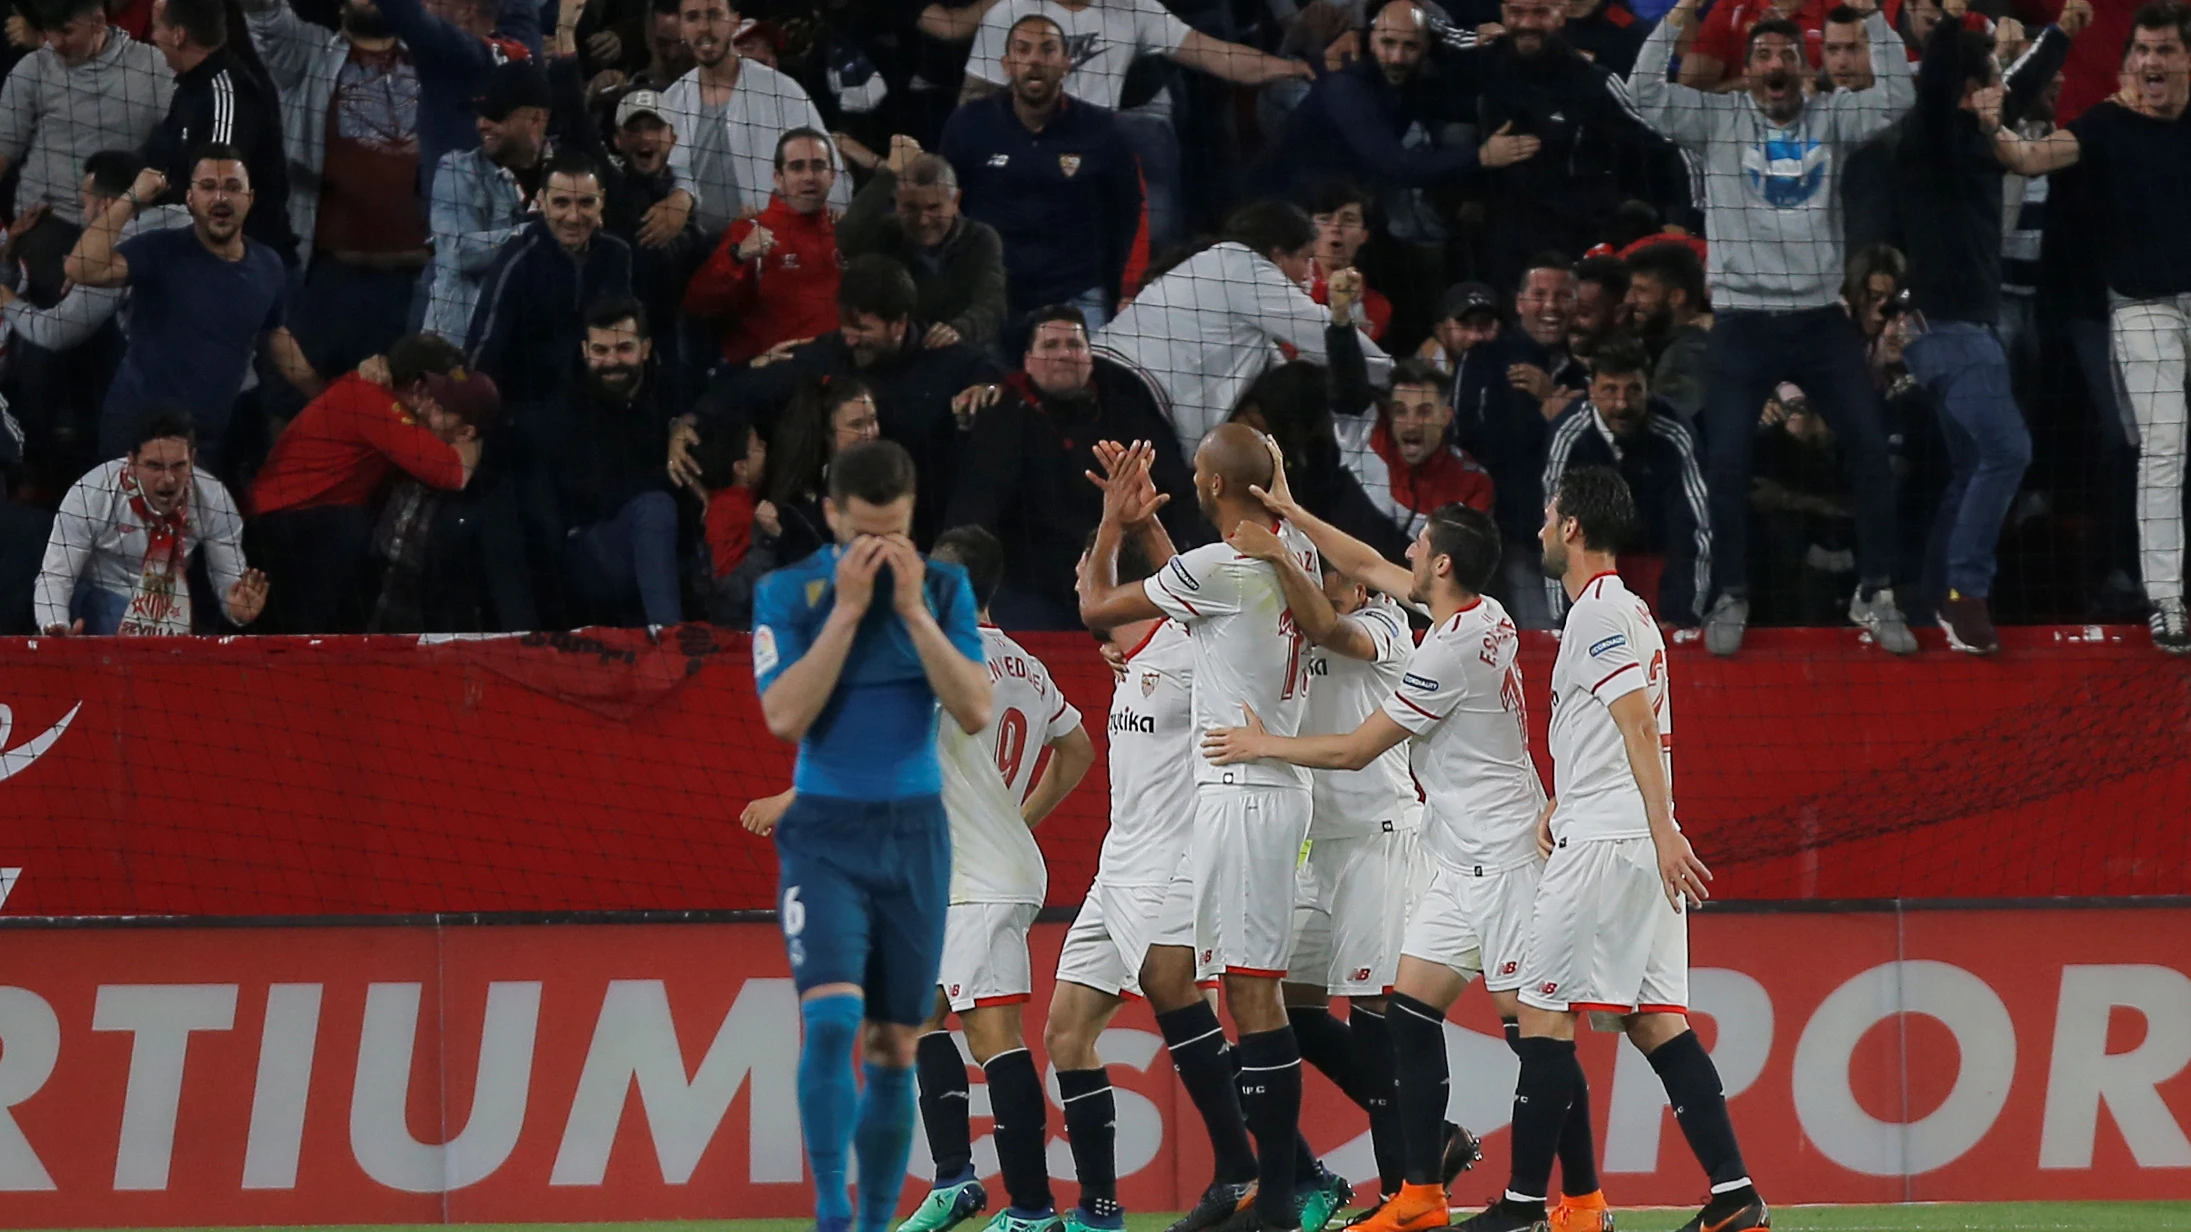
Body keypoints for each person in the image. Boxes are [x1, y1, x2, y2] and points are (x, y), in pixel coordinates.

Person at [1204, 480, 1597, 1232]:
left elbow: (1354, 750)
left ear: (1441, 566)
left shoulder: (1440, 656)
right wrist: (1294, 511)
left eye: (1417, 546)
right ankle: (1420, 1194)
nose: (1403, 553)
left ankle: (1580, 1203)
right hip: (1455, 860)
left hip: (1504, 859)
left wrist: (1259, 745)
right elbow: (1369, 565)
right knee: (1409, 1014)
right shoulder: (1486, 615)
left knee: (1535, 1037)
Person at [1469, 464, 1768, 1232]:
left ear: (1570, 527)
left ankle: (1523, 1207)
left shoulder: (1596, 614)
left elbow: (1637, 722)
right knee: (1653, 1021)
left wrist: (1661, 826)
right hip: (1623, 831)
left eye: (1546, 516)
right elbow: (1618, 728)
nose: (1538, 528)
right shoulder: (1624, 610)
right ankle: (1734, 1196)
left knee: (1540, 1013)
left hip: (1611, 842)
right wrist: (1574, 797)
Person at [1077, 425, 1320, 1232]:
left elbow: (1096, 606)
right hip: (1262, 789)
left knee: (1254, 998)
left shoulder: (1221, 569)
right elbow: (1195, 589)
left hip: (1244, 791)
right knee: (1211, 984)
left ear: (1215, 486)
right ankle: (1260, 1182)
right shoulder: (1290, 557)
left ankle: (1280, 1196)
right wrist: (1146, 524)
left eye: (1195, 474)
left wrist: (1118, 517)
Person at [749, 437, 991, 1232]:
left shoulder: (945, 590)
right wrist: (850, 612)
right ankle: (830, 1212)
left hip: (916, 837)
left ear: (911, 516)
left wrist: (914, 610)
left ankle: (876, 1222)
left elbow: (974, 708)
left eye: (893, 531)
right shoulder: (789, 592)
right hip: (825, 835)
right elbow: (785, 716)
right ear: (829, 516)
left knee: (895, 1046)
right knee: (828, 1022)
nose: (880, 549)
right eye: (863, 535)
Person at [1632, 0, 1921, 656]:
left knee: (1872, 454)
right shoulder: (1716, 121)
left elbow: (1899, 91)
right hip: (1740, 322)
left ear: (1804, 68)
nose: (1774, 65)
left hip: (1820, 321)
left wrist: (1875, 16)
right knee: (1726, 461)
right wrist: (1680, 15)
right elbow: (1645, 91)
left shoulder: (1833, 119)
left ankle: (1875, 593)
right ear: (1747, 67)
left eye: (1787, 56)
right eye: (1762, 55)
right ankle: (1730, 593)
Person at [884, 525, 1096, 1232]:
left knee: (995, 1034)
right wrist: (1018, 816)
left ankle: (1034, 1209)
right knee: (917, 1017)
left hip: (978, 878)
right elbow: (1076, 747)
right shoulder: (1027, 665)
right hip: (968, 869)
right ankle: (954, 1180)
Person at [1221, 509, 1423, 1228]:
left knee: (1373, 1018)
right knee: (1287, 1010)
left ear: (1358, 585)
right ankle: (1431, 1142)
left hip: (1380, 835)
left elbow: (1336, 635)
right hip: (1317, 846)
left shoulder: (1388, 626)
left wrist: (1277, 553)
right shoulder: (1295, 622)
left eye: (1319, 570)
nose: (1308, 577)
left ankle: (1405, 1194)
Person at [1989, 0, 2191, 652]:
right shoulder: (2104, 122)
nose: (2151, 62)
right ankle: (2164, 599)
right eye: (2142, 51)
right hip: (2141, 309)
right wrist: (1978, 121)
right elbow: (2025, 160)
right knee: (2161, 450)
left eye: (2164, 50)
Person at [1888, 20, 2055, 653]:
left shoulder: (1977, 134)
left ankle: (1935, 600)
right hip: (1947, 331)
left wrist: (2063, 28)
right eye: (1989, 80)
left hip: (1966, 329)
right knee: (2008, 451)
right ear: (1966, 88)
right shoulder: (1927, 139)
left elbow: (2025, 81)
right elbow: (1945, 99)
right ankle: (1965, 594)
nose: (2002, 90)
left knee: (1970, 469)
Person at [957, 0, 1312, 252]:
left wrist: (1289, 68)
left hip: (1093, 162)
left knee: (1155, 222)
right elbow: (973, 99)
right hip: (1023, 156)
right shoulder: (1010, 11)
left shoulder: (1134, 7)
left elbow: (1220, 56)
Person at [695, 255, 999, 543]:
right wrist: (693, 418)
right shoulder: (830, 353)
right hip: (841, 529)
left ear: (899, 323)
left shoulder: (943, 359)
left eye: (863, 329)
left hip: (929, 526)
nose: (851, 338)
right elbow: (751, 387)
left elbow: (995, 373)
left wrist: (986, 386)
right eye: (846, 326)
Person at [944, 305, 1194, 629]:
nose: (1064, 354)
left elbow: (1175, 485)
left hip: (1123, 573)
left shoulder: (1125, 404)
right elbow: (976, 506)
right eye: (1050, 346)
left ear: (1090, 356)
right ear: (1028, 361)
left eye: (1074, 345)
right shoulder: (1003, 417)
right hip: (1032, 585)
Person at [68, 152, 320, 472]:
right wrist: (132, 197)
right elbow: (81, 268)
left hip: (206, 438)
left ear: (250, 198)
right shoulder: (159, 249)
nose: (220, 197)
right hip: (136, 429)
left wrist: (320, 392)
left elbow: (276, 335)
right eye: (208, 186)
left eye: (232, 187)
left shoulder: (268, 266)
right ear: (190, 198)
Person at [1096, 200, 1392, 461]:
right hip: (1128, 392)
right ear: (1277, 256)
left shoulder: (1215, 268)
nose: (1309, 273)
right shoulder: (1245, 269)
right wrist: (1392, 376)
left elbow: (1283, 372)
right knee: (1172, 507)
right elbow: (1320, 330)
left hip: (1102, 379)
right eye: (1305, 258)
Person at [248, 332, 490, 632]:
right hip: (284, 527)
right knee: (352, 533)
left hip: (298, 519)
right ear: (418, 387)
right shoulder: (377, 405)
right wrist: (476, 436)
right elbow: (453, 473)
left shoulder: (370, 391)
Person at [240, 0, 432, 376]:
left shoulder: (434, 57)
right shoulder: (305, 53)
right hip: (331, 280)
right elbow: (265, 15)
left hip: (421, 282)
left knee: (409, 413)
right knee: (300, 406)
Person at [1460, 0, 1690, 289]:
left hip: (1574, 233)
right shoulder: (1483, 59)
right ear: (1502, 13)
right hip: (1503, 232)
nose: (1527, 23)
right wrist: (1476, 160)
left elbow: (1668, 141)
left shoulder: (1596, 82)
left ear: (1562, 14)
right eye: (1517, 12)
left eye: (1540, 12)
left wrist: (1677, 218)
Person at [939, 12, 1144, 333]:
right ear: (1007, 64)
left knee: (1082, 381)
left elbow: (1128, 211)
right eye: (1023, 50)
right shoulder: (969, 125)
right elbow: (945, 204)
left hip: (1078, 294)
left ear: (1066, 63)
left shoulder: (1102, 130)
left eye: (1048, 50)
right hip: (991, 297)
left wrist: (1122, 287)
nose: (1035, 60)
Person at [35, 411, 267, 636]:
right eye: (155, 466)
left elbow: (228, 578)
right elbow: (56, 576)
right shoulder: (90, 494)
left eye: (179, 466)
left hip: (174, 603)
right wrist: (55, 626)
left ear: (192, 459)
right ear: (132, 462)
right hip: (100, 595)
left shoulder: (213, 498)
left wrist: (237, 610)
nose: (168, 479)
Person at [1539, 335, 1711, 624]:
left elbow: (1696, 529)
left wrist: (1682, 617)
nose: (1622, 403)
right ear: (1591, 390)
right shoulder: (1567, 438)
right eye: (1610, 390)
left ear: (1649, 389)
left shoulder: (1676, 435)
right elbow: (1556, 532)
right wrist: (1568, 622)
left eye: (1634, 390)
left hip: (1659, 563)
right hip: (1590, 564)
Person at [1257, 1, 1492, 200]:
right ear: (1370, 41)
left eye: (1409, 45)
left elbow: (1452, 101)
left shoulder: (1410, 74)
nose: (1397, 57)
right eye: (1388, 43)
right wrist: (1484, 155)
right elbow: (1396, 166)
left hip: (1342, 198)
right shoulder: (1346, 85)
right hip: (1282, 209)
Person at [465, 149, 635, 416]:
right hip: (528, 410)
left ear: (602, 200)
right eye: (562, 203)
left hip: (598, 405)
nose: (574, 216)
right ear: (542, 202)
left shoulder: (617, 255)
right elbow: (484, 352)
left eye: (586, 203)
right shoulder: (517, 262)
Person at [660, 0, 845, 239]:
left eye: (714, 15)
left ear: (733, 22)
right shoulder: (671, 101)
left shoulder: (782, 91)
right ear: (682, 29)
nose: (704, 27)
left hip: (771, 248)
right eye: (693, 17)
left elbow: (835, 182)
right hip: (694, 253)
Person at [552, 296, 681, 626]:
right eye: (600, 351)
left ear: (646, 347)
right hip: (590, 551)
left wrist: (691, 420)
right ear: (585, 351)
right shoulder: (567, 407)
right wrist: (668, 471)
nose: (612, 361)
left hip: (664, 541)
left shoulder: (671, 390)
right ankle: (671, 643)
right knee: (655, 506)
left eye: (624, 348)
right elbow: (600, 495)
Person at [0, 0, 172, 234]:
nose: (56, 42)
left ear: (98, 22)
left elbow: (179, 143)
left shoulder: (153, 67)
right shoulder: (32, 69)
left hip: (126, 221)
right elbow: (3, 147)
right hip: (46, 219)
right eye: (50, 30)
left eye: (67, 31)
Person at [142, 0, 298, 258]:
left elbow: (217, 194)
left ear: (179, 35)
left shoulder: (226, 94)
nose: (153, 36)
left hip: (243, 264)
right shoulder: (190, 87)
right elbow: (158, 156)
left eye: (157, 27)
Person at [683, 127, 841, 366]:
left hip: (842, 378)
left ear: (833, 175)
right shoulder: (749, 231)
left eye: (818, 166)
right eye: (797, 167)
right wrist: (736, 256)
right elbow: (698, 305)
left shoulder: (845, 232)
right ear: (778, 177)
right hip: (774, 379)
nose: (809, 176)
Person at [423, 59, 552, 342]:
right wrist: (537, 231)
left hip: (538, 338)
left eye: (496, 115)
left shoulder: (567, 172)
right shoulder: (457, 169)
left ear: (535, 119)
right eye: (479, 114)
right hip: (462, 344)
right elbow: (457, 252)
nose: (482, 124)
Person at [838, 144, 1007, 352]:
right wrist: (888, 176)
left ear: (956, 201)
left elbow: (992, 306)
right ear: (896, 202)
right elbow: (846, 239)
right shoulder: (885, 233)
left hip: (963, 352)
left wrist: (959, 329)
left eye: (934, 207)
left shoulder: (980, 239)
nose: (923, 220)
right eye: (910, 208)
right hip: (902, 354)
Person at [1336, 358, 1497, 544]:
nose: (1410, 425)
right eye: (1400, 411)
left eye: (1424, 412)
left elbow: (1463, 564)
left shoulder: (1473, 483)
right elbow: (1345, 381)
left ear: (1445, 418)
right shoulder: (1368, 439)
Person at [1621, 241, 1709, 423]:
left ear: (1676, 298)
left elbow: (1668, 424)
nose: (1629, 300)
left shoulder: (1687, 353)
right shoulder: (1661, 345)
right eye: (1630, 290)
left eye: (1642, 291)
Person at [1303, 179, 1394, 342]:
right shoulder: (1284, 284)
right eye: (1325, 219)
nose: (1336, 226)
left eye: (1349, 220)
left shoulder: (1378, 307)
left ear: (1364, 236)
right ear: (1309, 229)